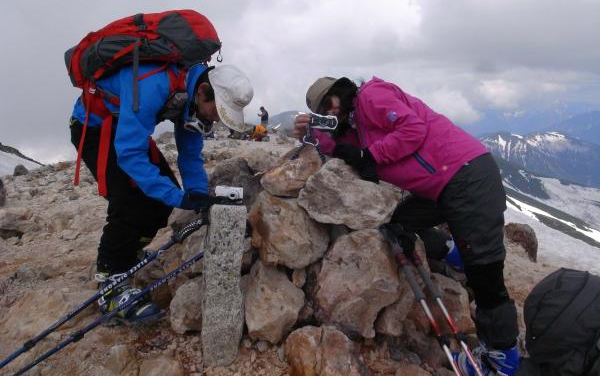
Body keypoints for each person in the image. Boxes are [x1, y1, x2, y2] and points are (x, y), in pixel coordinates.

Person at [294, 76, 520, 376]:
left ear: (340, 91)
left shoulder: (370, 96)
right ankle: (456, 257)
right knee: (397, 222)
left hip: (467, 176)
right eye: (322, 111)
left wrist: (370, 155)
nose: (329, 110)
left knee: (486, 273)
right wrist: (312, 134)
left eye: (328, 102)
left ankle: (502, 360)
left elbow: (413, 129)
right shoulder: (357, 128)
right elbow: (345, 152)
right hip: (440, 188)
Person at [70, 63, 253, 324]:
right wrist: (179, 197)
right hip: (95, 126)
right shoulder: (154, 85)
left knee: (160, 203)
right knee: (130, 201)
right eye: (217, 111)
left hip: (126, 127)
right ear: (203, 91)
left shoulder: (190, 97)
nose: (216, 119)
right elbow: (130, 155)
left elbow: (190, 153)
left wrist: (197, 194)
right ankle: (111, 284)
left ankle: (128, 256)